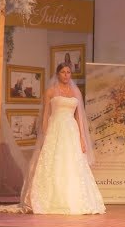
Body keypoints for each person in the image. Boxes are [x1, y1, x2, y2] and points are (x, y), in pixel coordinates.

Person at [18, 63, 106, 215]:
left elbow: (79, 117)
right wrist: (44, 135)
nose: (66, 75)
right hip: (55, 129)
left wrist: (82, 138)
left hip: (71, 131)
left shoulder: (75, 92)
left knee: (72, 162)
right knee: (53, 161)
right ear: (58, 74)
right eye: (63, 72)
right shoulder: (50, 91)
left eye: (68, 72)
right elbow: (45, 115)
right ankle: (49, 200)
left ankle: (74, 199)